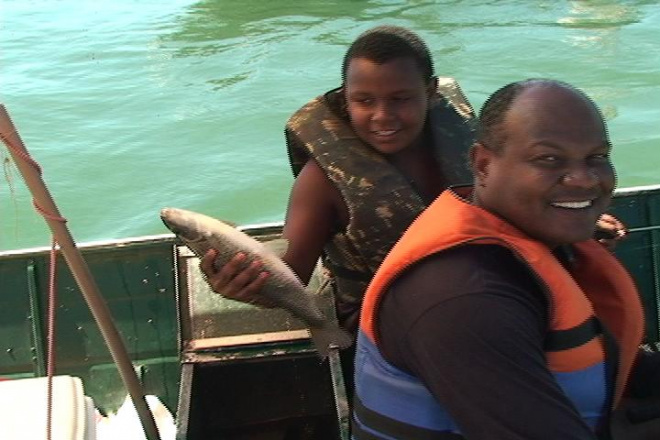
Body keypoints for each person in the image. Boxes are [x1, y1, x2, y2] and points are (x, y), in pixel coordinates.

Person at [352, 79, 660, 439]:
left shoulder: (537, 242)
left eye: (597, 157)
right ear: (482, 165)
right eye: (548, 159)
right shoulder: (463, 298)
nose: (583, 179)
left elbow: (609, 368)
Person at [201, 25, 478, 388]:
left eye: (400, 99)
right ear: (345, 100)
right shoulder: (320, 181)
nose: (382, 115)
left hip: (479, 309)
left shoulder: (470, 148)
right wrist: (240, 284)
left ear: (429, 92)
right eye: (364, 100)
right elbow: (291, 276)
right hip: (386, 338)